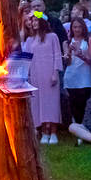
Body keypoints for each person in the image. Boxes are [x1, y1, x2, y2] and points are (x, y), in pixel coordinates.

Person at [22, 11, 63, 143]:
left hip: (49, 74)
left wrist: (55, 73)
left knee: (51, 102)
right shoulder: (30, 40)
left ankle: (53, 132)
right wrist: (27, 75)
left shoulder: (52, 37)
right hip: (35, 75)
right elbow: (27, 59)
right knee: (38, 102)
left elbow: (57, 55)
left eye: (36, 20)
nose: (34, 23)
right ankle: (44, 131)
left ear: (42, 21)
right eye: (32, 20)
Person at [62, 18, 91, 126]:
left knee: (84, 103)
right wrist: (69, 53)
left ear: (83, 28)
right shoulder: (67, 42)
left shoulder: (88, 40)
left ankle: (85, 126)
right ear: (71, 28)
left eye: (80, 27)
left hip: (85, 77)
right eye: (75, 27)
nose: (77, 29)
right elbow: (68, 62)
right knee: (73, 105)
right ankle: (77, 128)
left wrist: (81, 55)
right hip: (71, 77)